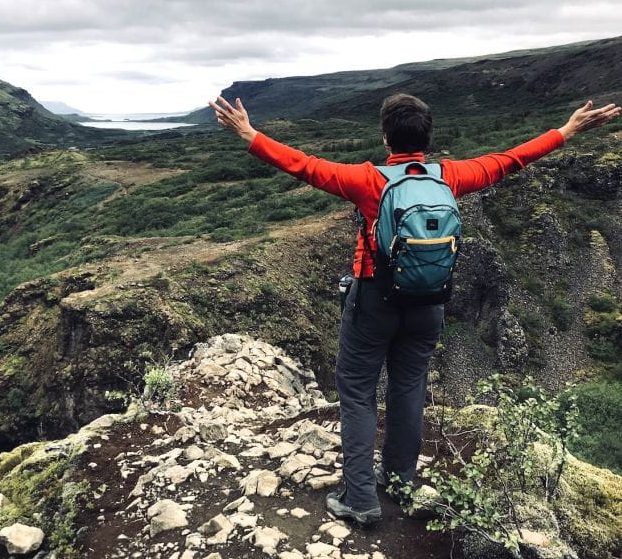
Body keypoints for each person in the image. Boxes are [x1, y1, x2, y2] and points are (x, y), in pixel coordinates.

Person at [209, 93, 620, 524]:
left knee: (357, 393)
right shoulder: (450, 176)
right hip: (429, 304)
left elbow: (304, 165)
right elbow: (511, 159)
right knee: (408, 389)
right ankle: (401, 480)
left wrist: (249, 134)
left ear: (386, 137)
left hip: (373, 300)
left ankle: (360, 499)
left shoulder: (367, 180)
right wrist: (567, 131)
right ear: (427, 136)